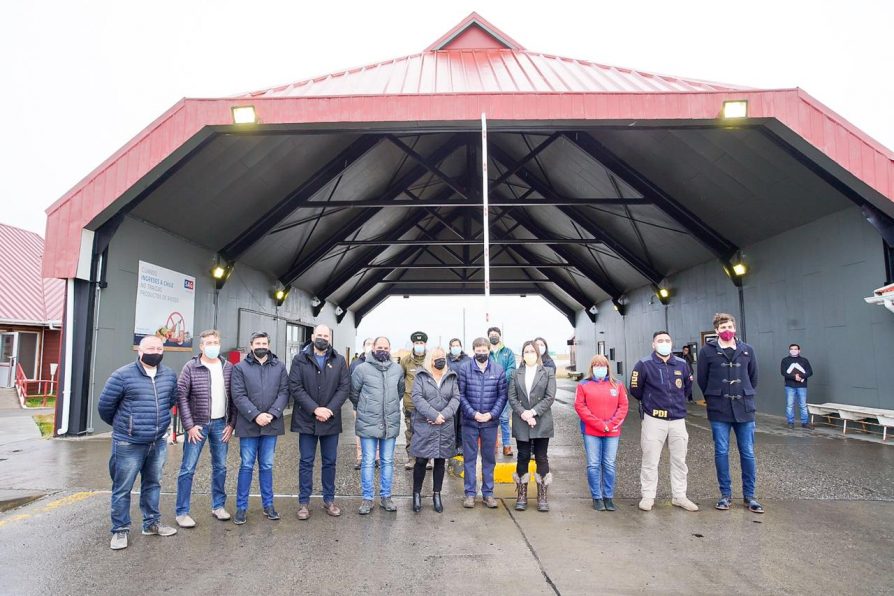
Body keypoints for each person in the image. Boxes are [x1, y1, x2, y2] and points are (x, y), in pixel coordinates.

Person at [98, 335, 179, 550]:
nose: (155, 351)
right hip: (128, 443)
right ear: (139, 351)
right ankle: (120, 530)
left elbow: (171, 401)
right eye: (150, 348)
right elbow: (105, 407)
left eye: (159, 348)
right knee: (122, 487)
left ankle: (151, 524)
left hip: (157, 442)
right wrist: (126, 427)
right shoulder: (122, 376)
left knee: (153, 484)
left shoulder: (169, 376)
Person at [697, 313, 763, 514]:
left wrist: (744, 394)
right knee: (721, 452)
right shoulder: (707, 351)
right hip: (719, 409)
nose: (727, 330)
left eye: (730, 326)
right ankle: (725, 494)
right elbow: (702, 379)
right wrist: (715, 395)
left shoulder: (747, 350)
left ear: (735, 328)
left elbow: (753, 377)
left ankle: (750, 495)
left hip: (744, 407)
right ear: (716, 330)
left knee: (748, 452)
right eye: (723, 327)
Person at [629, 331, 699, 513]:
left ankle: (679, 496)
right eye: (660, 341)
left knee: (679, 460)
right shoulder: (644, 364)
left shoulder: (682, 364)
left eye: (667, 340)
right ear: (653, 344)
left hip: (677, 419)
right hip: (654, 419)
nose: (664, 343)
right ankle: (648, 496)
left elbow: (686, 388)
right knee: (650, 459)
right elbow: (635, 390)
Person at [174, 329, 236, 528]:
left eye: (216, 342)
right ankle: (182, 512)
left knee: (221, 467)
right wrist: (189, 426)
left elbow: (234, 397)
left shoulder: (228, 367)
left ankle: (218, 506)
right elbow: (181, 396)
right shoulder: (191, 367)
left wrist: (231, 424)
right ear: (201, 346)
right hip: (198, 427)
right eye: (208, 342)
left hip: (221, 424)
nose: (213, 345)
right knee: (188, 468)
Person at [289, 324, 350, 520]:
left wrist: (329, 410)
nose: (322, 338)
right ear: (313, 336)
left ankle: (329, 500)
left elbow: (344, 388)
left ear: (330, 338)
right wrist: (315, 409)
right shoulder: (300, 359)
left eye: (326, 335)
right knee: (306, 462)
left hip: (330, 421)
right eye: (320, 335)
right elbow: (295, 387)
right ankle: (304, 503)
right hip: (306, 419)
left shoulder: (339, 360)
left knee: (330, 462)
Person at [230, 332, 289, 525]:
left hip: (271, 424)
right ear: (251, 345)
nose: (261, 345)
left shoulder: (279, 367)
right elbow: (238, 395)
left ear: (269, 345)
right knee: (246, 466)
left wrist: (272, 413)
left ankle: (269, 505)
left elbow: (284, 392)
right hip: (248, 425)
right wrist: (255, 415)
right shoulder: (240, 368)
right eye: (258, 343)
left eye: (264, 343)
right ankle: (241, 508)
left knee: (267, 466)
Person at [350, 336, 404, 515]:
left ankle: (386, 497)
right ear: (373, 348)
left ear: (390, 349)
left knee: (387, 461)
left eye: (385, 347)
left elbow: (400, 392)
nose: (383, 350)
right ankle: (367, 498)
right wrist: (365, 408)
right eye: (379, 347)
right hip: (368, 423)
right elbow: (354, 393)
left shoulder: (397, 369)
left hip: (390, 422)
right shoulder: (361, 369)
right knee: (367, 461)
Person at [456, 337, 507, 509]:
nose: (481, 353)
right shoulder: (464, 369)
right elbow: (460, 395)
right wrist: (474, 413)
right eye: (478, 351)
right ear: (474, 351)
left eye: (484, 351)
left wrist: (491, 415)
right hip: (470, 422)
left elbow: (502, 396)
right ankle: (470, 494)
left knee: (488, 459)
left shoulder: (498, 370)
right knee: (469, 459)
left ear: (489, 351)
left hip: (490, 423)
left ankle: (488, 494)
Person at [409, 347, 460, 513]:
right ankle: (416, 494)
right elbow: (417, 397)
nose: (441, 360)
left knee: (440, 461)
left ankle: (436, 494)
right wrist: (432, 414)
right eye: (437, 357)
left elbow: (455, 398)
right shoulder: (421, 376)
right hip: (425, 424)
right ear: (430, 359)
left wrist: (442, 416)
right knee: (422, 461)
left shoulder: (451, 376)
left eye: (443, 357)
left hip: (444, 425)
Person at [507, 340, 557, 512]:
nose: (529, 354)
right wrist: (524, 414)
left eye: (532, 351)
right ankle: (521, 494)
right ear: (522, 354)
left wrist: (533, 413)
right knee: (522, 456)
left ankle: (542, 495)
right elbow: (512, 397)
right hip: (522, 420)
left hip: (541, 420)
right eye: (526, 351)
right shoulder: (515, 373)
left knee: (542, 457)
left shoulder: (548, 372)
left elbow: (549, 397)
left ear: (537, 354)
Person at [575, 354, 629, 512]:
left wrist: (611, 424)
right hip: (591, 431)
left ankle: (608, 496)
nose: (600, 368)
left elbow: (623, 406)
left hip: (612, 432)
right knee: (593, 464)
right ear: (592, 368)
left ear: (608, 367)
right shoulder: (584, 385)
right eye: (596, 365)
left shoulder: (617, 385)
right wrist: (599, 424)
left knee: (609, 464)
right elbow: (580, 407)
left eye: (603, 365)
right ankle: (597, 497)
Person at [400, 331, 430, 470]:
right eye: (417, 343)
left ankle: (427, 459)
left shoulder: (430, 359)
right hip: (410, 404)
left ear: (425, 344)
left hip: (428, 404)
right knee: (411, 432)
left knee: (427, 432)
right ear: (413, 344)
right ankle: (411, 459)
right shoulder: (405, 361)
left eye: (421, 343)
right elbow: (401, 381)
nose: (419, 345)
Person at [487, 326, 516, 456]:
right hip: (490, 391)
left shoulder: (508, 352)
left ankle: (507, 446)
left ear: (500, 336)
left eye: (496, 334)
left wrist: (501, 378)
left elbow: (512, 368)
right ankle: (492, 445)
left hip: (504, 389)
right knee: (492, 419)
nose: (493, 336)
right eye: (491, 334)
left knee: (504, 418)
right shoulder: (486, 352)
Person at [350, 338, 375, 469]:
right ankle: (360, 458)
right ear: (363, 346)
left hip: (375, 407)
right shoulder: (355, 364)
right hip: (359, 406)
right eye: (368, 344)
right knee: (360, 432)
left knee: (376, 432)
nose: (370, 347)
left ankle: (376, 458)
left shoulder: (378, 363)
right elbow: (351, 386)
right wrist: (357, 403)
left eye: (372, 344)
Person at [781, 343, 814, 430]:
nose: (793, 350)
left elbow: (810, 372)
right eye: (792, 349)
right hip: (789, 386)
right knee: (790, 405)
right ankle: (790, 422)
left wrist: (801, 377)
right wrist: (794, 377)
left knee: (803, 405)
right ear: (789, 350)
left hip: (802, 386)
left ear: (799, 350)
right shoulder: (785, 360)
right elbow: (783, 372)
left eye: (795, 349)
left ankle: (805, 423)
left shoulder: (804, 360)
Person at [447, 338, 470, 454]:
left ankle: (461, 445)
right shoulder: (446, 360)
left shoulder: (468, 360)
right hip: (449, 396)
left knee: (462, 421)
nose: (456, 347)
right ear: (450, 347)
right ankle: (452, 445)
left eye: (458, 345)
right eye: (453, 345)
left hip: (464, 394)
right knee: (451, 421)